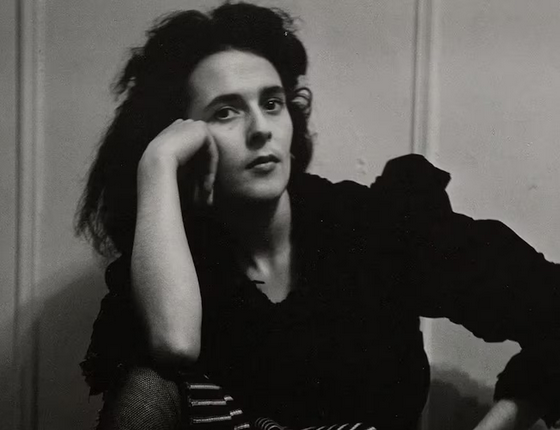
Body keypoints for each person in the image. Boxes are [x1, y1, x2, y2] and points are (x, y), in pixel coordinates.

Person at [76, 2, 560, 430]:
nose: (261, 129)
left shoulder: (370, 227)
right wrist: (157, 164)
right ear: (187, 139)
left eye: (272, 103)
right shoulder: (177, 263)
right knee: (146, 385)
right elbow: (174, 346)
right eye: (225, 112)